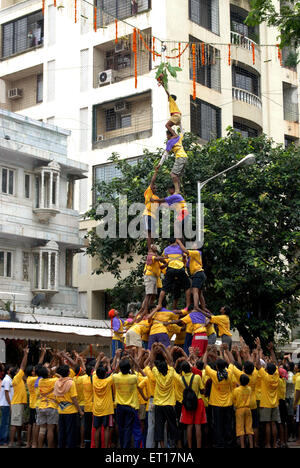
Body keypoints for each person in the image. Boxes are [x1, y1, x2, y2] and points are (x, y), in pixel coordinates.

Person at [203, 349, 235, 448]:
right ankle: (228, 442)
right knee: (228, 424)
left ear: (216, 367)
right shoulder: (229, 373)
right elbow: (231, 362)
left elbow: (204, 364)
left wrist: (205, 352)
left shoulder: (214, 375)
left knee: (217, 425)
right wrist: (225, 352)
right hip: (228, 404)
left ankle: (219, 443)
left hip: (216, 405)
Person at [255, 342, 280, 449]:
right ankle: (274, 444)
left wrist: (258, 349)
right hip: (275, 404)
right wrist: (271, 350)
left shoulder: (265, 376)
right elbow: (275, 363)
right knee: (274, 424)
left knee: (267, 425)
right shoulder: (276, 376)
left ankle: (268, 444)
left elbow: (257, 365)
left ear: (266, 370)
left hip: (266, 404)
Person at [54, 364, 84, 449]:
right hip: (71, 411)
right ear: (68, 372)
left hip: (61, 410)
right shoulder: (71, 383)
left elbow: (55, 397)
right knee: (71, 432)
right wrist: (80, 411)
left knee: (61, 432)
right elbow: (74, 398)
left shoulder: (56, 383)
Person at [156, 239, 191, 310]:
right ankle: (188, 305)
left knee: (164, 288)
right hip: (180, 269)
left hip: (170, 269)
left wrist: (165, 265)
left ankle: (159, 304)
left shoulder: (166, 249)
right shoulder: (180, 248)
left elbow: (164, 260)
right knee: (187, 286)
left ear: (169, 243)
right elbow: (185, 259)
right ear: (175, 242)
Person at [179, 360, 206, 448]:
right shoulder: (197, 377)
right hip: (198, 401)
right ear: (190, 368)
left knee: (189, 426)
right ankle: (198, 446)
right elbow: (202, 390)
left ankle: (190, 446)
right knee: (198, 425)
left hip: (187, 403)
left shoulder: (180, 379)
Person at [92, 355, 114, 448]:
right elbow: (111, 372)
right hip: (107, 409)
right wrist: (108, 363)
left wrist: (98, 359)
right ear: (105, 374)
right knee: (106, 428)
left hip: (97, 408)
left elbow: (95, 369)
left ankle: (97, 446)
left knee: (96, 429)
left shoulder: (94, 379)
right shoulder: (108, 381)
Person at [9, 346, 29, 448]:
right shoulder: (16, 378)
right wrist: (25, 354)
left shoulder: (19, 379)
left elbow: (22, 368)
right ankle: (11, 443)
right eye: (17, 370)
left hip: (18, 403)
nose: (19, 371)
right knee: (14, 423)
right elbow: (23, 366)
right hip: (17, 403)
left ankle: (19, 441)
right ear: (16, 373)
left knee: (18, 423)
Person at [37, 365, 59, 449]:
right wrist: (55, 373)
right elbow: (61, 377)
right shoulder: (54, 380)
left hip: (41, 406)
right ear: (48, 373)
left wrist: (50, 372)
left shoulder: (40, 381)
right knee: (50, 429)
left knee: (42, 429)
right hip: (51, 406)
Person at [232, 374, 254, 448]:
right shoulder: (249, 388)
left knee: (240, 429)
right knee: (249, 429)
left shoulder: (236, 390)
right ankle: (251, 445)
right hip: (248, 409)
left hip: (239, 410)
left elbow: (233, 400)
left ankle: (242, 446)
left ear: (240, 381)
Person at [143, 166, 160, 250]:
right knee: (148, 233)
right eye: (153, 187)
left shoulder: (156, 197)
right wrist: (156, 172)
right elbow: (152, 181)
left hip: (153, 217)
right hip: (147, 215)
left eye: (156, 188)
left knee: (152, 234)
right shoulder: (148, 193)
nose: (155, 188)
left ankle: (152, 248)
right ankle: (150, 249)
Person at [0, 365, 14, 446]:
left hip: (6, 404)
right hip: (6, 404)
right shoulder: (6, 380)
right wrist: (10, 404)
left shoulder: (8, 379)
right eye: (11, 369)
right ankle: (3, 440)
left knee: (7, 423)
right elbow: (6, 392)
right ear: (8, 371)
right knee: (5, 423)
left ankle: (6, 439)